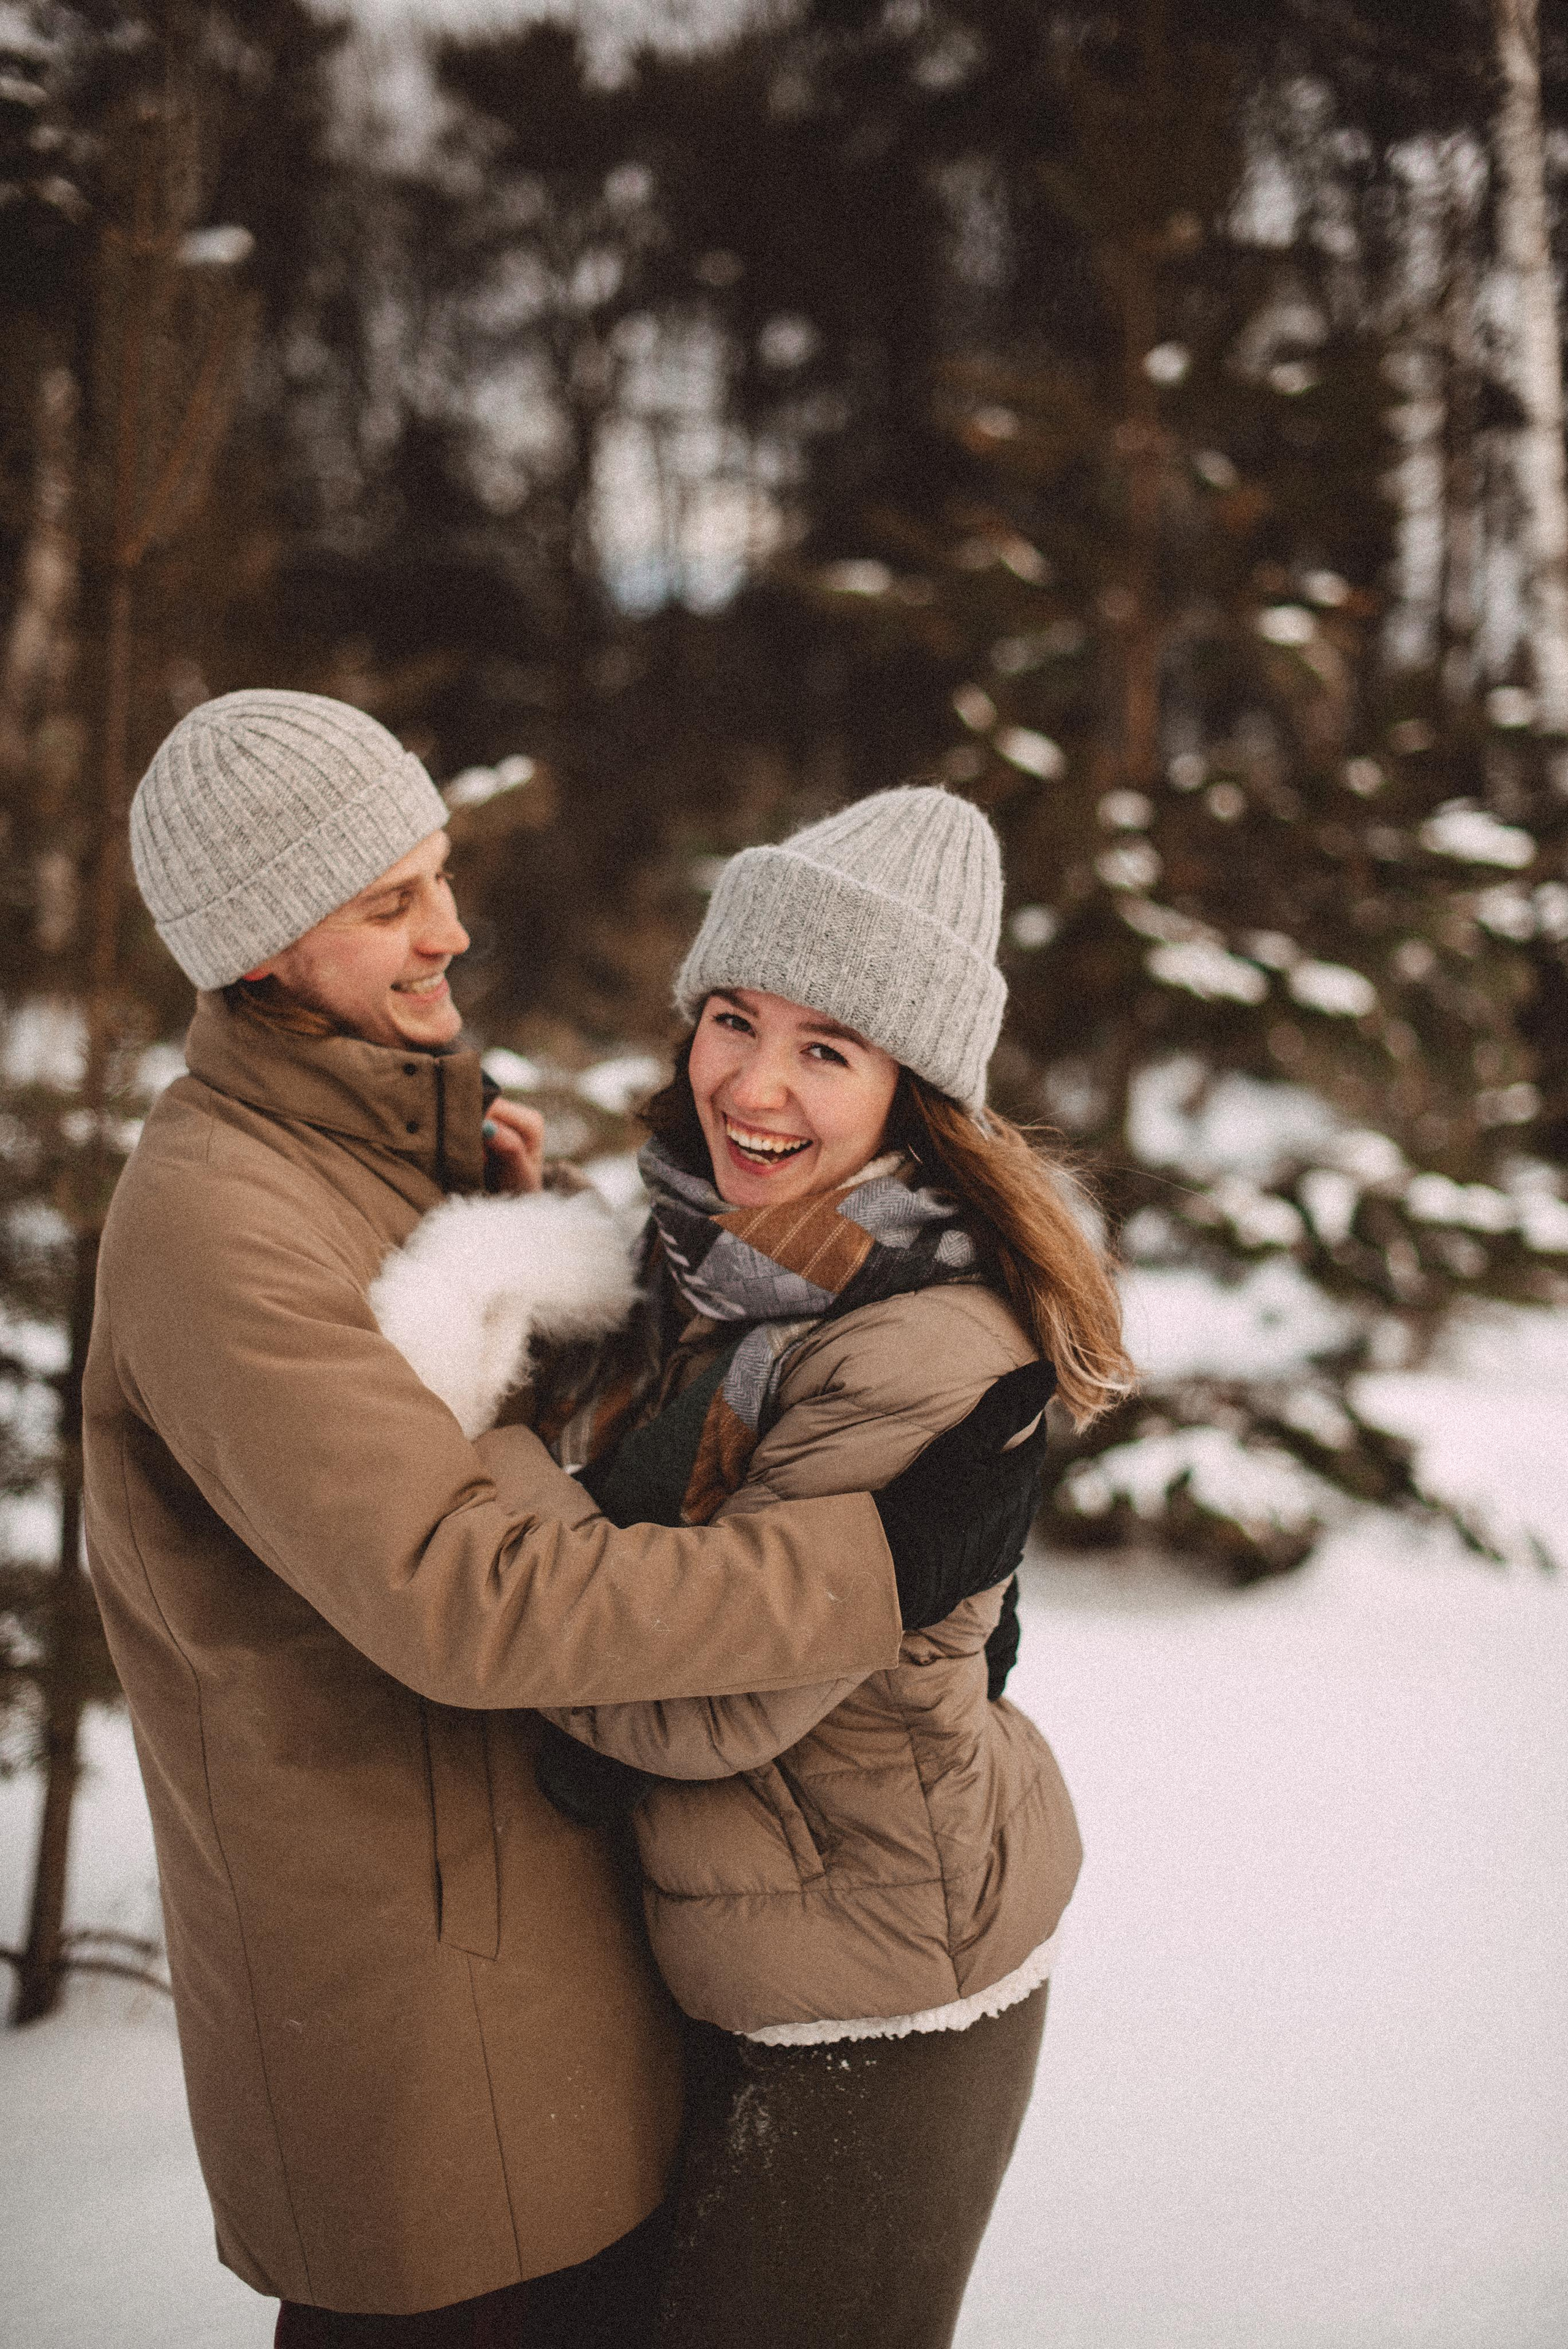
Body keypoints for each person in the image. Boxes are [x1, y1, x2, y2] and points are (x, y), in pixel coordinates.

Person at [81, 694, 1054, 2348]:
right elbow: (473, 1585)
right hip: (419, 2004)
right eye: (389, 901)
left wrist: (511, 1255)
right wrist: (888, 1569)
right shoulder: (222, 1220)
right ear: (259, 949)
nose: (449, 929)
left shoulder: (423, 1163)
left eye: (439, 874)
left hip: (663, 1975)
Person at [374, 785, 1133, 2348]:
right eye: (734, 1017)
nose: (754, 1081)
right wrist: (531, 1269)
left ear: (912, 1093)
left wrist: (488, 1435)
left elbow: (702, 1707)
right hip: (730, 1939)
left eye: (826, 1048)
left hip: (880, 1992)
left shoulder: (921, 1338)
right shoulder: (730, 1265)